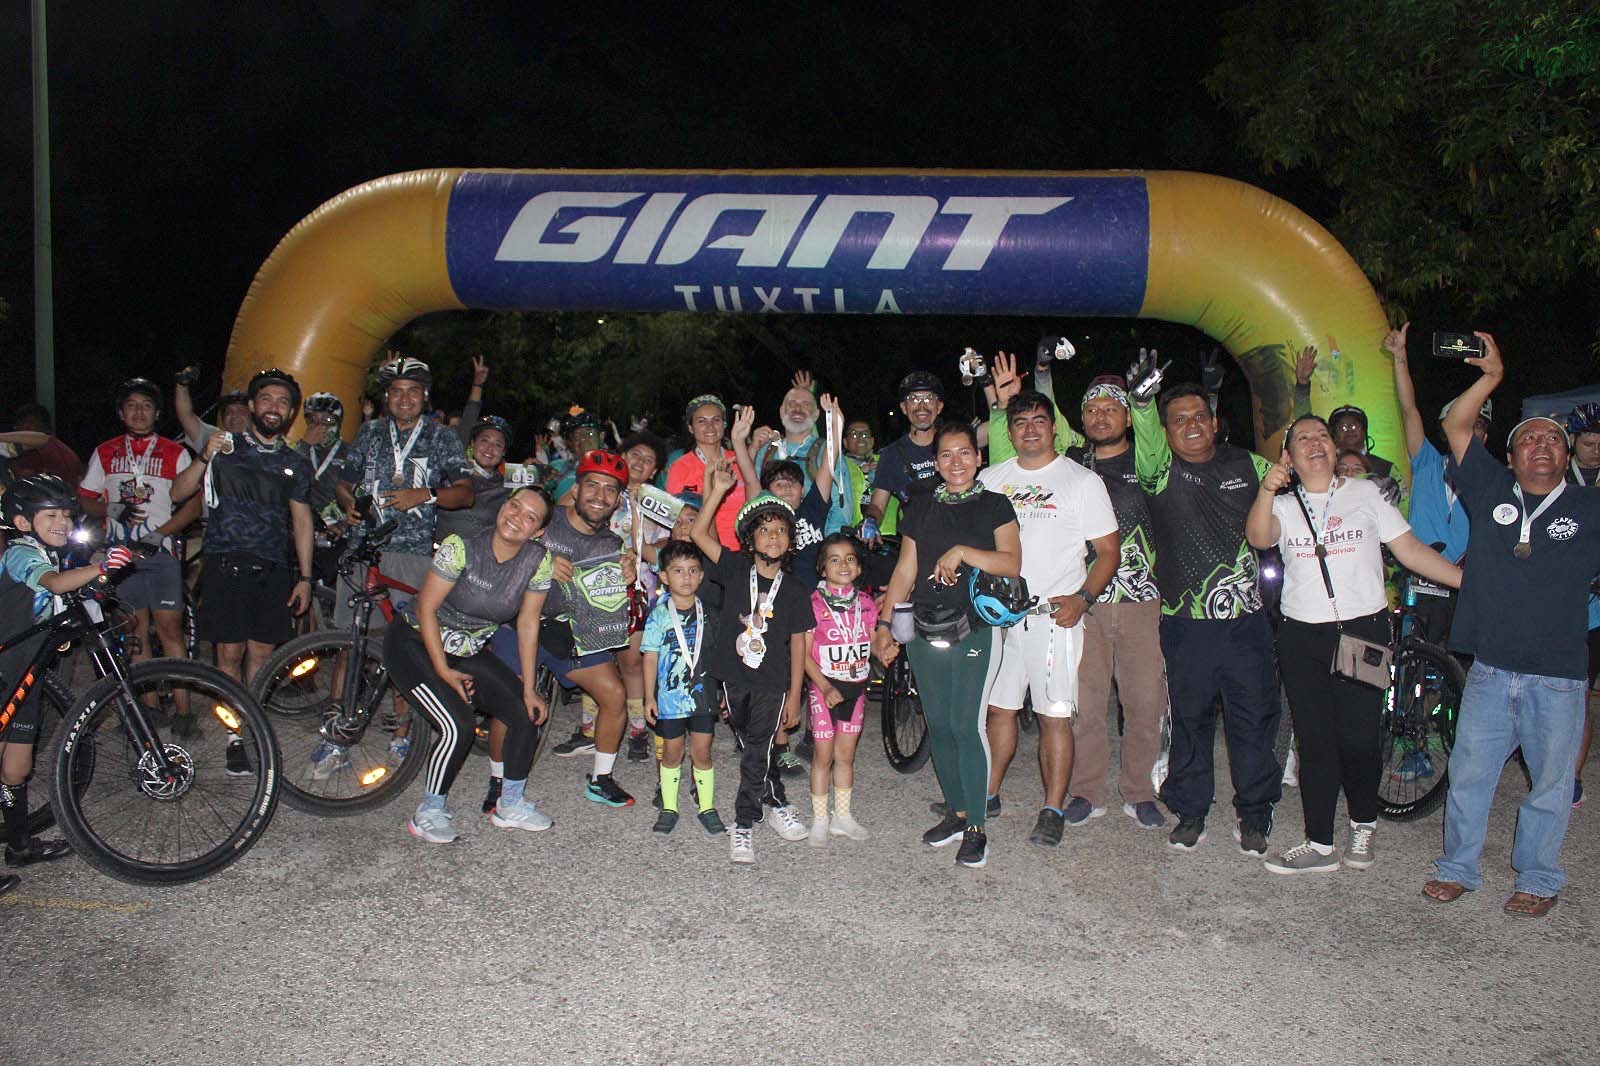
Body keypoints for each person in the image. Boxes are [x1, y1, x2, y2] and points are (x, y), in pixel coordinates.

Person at [1423, 336, 1600, 917]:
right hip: (1492, 671)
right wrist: (1490, 377)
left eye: (1552, 438)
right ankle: (1457, 868)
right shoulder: (1490, 489)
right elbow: (1455, 424)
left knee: (1550, 786)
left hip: (1559, 677)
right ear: (1511, 455)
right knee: (1471, 775)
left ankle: (1538, 879)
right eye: (1529, 439)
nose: (1541, 446)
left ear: (1567, 452)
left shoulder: (1590, 508)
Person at [1247, 415, 1461, 874]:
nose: (1315, 443)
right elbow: (1258, 537)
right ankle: (1319, 842)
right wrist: (1267, 488)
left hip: (1362, 631)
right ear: (1288, 456)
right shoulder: (1281, 505)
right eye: (1302, 439)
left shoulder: (1364, 494)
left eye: (1321, 435)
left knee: (1361, 739)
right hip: (1302, 635)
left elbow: (1410, 551)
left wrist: (1468, 582)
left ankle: (1363, 824)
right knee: (1315, 740)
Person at [1130, 358, 1280, 855]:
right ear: (1168, 430)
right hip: (1185, 624)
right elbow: (1147, 439)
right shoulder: (1157, 471)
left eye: (1199, 416)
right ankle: (1191, 810)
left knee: (1253, 719)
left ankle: (1255, 814)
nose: (1191, 425)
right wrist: (1140, 401)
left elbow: (1300, 495)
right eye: (1179, 420)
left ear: (1214, 421)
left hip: (1246, 622)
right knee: (1190, 720)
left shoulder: (1250, 466)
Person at [872, 423, 1021, 869]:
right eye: (946, 455)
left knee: (965, 725)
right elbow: (904, 571)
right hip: (922, 626)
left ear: (978, 459)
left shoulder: (995, 504)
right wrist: (884, 625)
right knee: (938, 725)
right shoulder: (918, 507)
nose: (956, 462)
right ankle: (956, 812)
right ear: (936, 464)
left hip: (975, 625)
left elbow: (1012, 564)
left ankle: (976, 826)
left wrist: (961, 551)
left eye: (964, 453)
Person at [977, 389, 1119, 848]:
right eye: (1021, 422)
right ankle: (988, 794)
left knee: (1053, 715)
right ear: (1010, 430)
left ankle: (1052, 808)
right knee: (998, 710)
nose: (1031, 429)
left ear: (1054, 425)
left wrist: (1084, 597)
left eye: (1040, 420)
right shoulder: (991, 479)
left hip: (1052, 617)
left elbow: (1108, 552)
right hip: (999, 618)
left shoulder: (1081, 482)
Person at [382, 488, 556, 843]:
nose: (516, 517)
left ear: (537, 531)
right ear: (503, 506)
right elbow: (427, 609)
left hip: (465, 649)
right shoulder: (460, 546)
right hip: (414, 641)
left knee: (527, 713)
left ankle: (510, 804)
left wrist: (528, 687)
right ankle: (429, 811)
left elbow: (528, 623)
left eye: (530, 516)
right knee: (457, 724)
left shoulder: (539, 560)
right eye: (514, 505)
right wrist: (443, 672)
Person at [171, 369, 315, 777]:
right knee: (228, 655)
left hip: (273, 568)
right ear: (252, 406)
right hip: (224, 563)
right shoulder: (223, 447)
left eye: (282, 402)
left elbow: (302, 521)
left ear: (290, 413)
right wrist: (204, 456)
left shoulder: (294, 462)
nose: (274, 407)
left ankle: (253, 728)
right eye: (266, 399)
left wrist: (304, 577)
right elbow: (178, 494)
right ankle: (235, 736)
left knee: (264, 656)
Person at [0, 477, 135, 892]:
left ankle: (19, 843)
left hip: (28, 668)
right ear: (23, 522)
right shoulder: (21, 554)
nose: (62, 522)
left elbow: (64, 592)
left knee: (16, 766)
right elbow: (54, 585)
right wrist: (100, 567)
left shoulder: (46, 551)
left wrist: (94, 579)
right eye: (50, 516)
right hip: (8, 666)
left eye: (66, 515)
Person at [691, 459, 814, 863]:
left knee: (757, 746)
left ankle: (744, 822)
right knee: (751, 746)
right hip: (732, 673)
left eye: (781, 530)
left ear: (790, 540)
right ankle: (777, 801)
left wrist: (795, 695)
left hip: (774, 680)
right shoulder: (734, 566)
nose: (774, 536)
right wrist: (718, 492)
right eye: (764, 529)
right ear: (750, 538)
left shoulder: (795, 588)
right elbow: (696, 532)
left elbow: (799, 644)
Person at [1061, 377, 1169, 830]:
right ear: (1082, 420)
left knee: (1145, 702)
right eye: (1092, 410)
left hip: (1141, 600)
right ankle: (1086, 791)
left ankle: (1139, 791)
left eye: (1111, 409)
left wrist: (1147, 405)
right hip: (1083, 601)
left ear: (1127, 417)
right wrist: (1045, 376)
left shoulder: (1147, 464)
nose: (1101, 416)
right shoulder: (1070, 467)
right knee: (1085, 705)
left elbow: (1159, 446)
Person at [79, 378, 201, 706]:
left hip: (160, 552)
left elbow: (194, 504)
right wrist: (109, 507)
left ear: (157, 413)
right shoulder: (105, 451)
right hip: (122, 555)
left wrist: (162, 532)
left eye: (146, 406)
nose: (139, 412)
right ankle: (150, 709)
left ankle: (184, 710)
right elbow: (84, 498)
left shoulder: (176, 452)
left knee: (170, 630)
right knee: (134, 630)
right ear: (121, 412)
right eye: (131, 405)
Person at [534, 450, 640, 807]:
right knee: (514, 703)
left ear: (617, 500)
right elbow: (505, 545)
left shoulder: (611, 545)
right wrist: (540, 561)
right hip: (524, 623)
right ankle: (500, 781)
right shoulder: (544, 519)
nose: (599, 495)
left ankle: (601, 778)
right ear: (575, 490)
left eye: (610, 490)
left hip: (573, 631)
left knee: (614, 696)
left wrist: (626, 573)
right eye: (592, 485)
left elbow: (607, 598)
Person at [640, 540, 725, 836]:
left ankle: (707, 806)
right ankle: (669, 807)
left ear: (701, 576)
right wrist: (648, 695)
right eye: (677, 571)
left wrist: (724, 692)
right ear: (664, 576)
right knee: (672, 754)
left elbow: (720, 657)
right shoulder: (658, 615)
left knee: (702, 752)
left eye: (692, 571)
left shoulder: (711, 614)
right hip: (670, 701)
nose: (686, 577)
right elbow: (649, 657)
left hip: (703, 698)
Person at [803, 532, 877, 845]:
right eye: (834, 559)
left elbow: (873, 641)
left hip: (855, 688)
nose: (843, 564)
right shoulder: (813, 603)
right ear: (822, 569)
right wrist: (823, 685)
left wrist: (885, 647)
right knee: (823, 757)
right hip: (824, 687)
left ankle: (842, 817)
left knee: (845, 757)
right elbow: (803, 655)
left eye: (850, 559)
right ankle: (820, 819)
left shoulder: (866, 602)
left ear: (859, 568)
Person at [863, 370, 948, 546]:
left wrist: (996, 397)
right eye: (914, 399)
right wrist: (870, 520)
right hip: (917, 542)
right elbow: (878, 506)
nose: (921, 406)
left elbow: (994, 430)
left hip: (959, 536)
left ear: (939, 406)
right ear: (903, 408)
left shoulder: (955, 441)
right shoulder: (891, 455)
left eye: (928, 398)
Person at [1564, 402, 1600, 807]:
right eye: (1589, 442)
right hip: (1552, 603)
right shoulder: (1554, 475)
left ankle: (1571, 777)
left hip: (1592, 609)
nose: (1596, 449)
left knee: (1580, 696)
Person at [666, 395, 746, 551]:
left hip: (742, 552)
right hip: (701, 552)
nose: (710, 427)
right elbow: (674, 519)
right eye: (701, 421)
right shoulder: (679, 467)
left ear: (724, 425)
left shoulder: (739, 460)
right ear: (691, 428)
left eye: (716, 420)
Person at [294, 392, 350, 593]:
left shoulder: (350, 453)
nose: (320, 426)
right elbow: (282, 480)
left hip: (337, 537)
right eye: (314, 420)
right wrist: (304, 445)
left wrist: (344, 526)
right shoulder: (297, 451)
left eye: (327, 420)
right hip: (301, 533)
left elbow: (362, 498)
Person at [6, 404, 84, 491]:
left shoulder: (52, 448)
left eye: (27, 424)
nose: (17, 429)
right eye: (17, 425)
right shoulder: (24, 453)